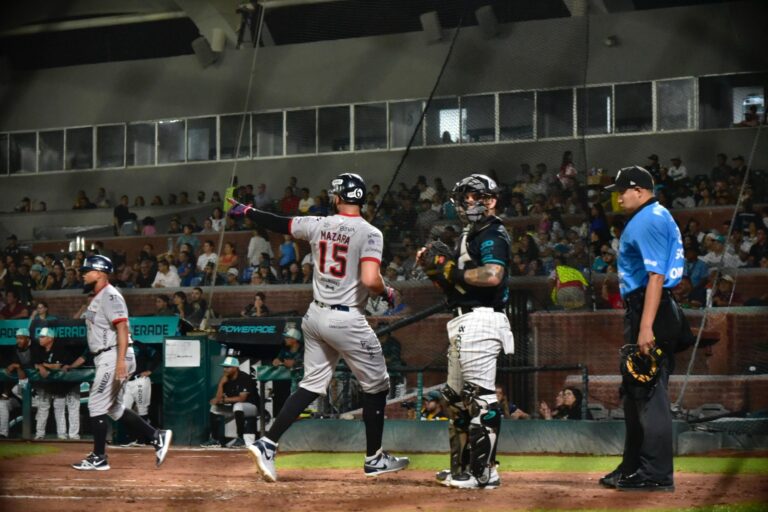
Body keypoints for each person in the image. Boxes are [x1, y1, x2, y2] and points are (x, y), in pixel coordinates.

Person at [228, 172, 409, 482]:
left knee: (312, 384)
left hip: (315, 315)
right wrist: (388, 291)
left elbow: (278, 222)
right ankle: (374, 458)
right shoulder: (370, 233)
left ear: (337, 197)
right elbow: (369, 280)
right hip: (347, 318)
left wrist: (246, 210)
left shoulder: (318, 224)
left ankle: (268, 443)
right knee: (377, 386)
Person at [417, 174, 514, 490]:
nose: (469, 202)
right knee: (456, 399)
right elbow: (453, 287)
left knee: (481, 399)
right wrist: (434, 270)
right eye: (465, 197)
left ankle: (484, 472)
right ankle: (463, 469)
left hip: (482, 320)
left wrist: (448, 268)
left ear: (491, 200)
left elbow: (493, 275)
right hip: (461, 319)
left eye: (476, 196)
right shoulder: (467, 235)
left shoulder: (492, 232)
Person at [599, 166, 692, 492]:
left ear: (638, 189)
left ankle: (655, 474)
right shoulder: (653, 215)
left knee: (650, 395)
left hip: (650, 310)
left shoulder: (649, 218)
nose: (618, 196)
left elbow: (655, 276)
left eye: (622, 190)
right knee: (635, 393)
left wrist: (645, 327)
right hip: (649, 307)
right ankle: (633, 468)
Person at [72, 255, 172, 471]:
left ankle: (99, 457)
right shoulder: (97, 297)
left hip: (113, 355)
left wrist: (119, 362)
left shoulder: (110, 296)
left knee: (96, 404)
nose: (83, 274)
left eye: (87, 270)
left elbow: (123, 328)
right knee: (115, 409)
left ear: (99, 273)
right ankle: (156, 436)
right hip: (106, 356)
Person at [33, 327, 86, 440]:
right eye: (40, 337)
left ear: (50, 338)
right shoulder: (39, 350)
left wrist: (43, 365)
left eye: (43, 337)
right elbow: (35, 364)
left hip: (71, 383)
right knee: (58, 407)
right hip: (57, 385)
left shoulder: (60, 348)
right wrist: (41, 366)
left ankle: (73, 435)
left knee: (73, 408)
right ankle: (61, 435)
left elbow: (58, 366)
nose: (40, 339)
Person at [200, 356, 259, 449]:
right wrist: (221, 384)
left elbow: (242, 399)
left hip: (251, 407)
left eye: (228, 367)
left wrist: (223, 400)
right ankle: (215, 440)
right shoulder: (225, 379)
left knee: (238, 405)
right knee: (214, 408)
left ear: (235, 368)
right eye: (224, 367)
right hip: (236, 408)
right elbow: (218, 398)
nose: (225, 369)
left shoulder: (244, 377)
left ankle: (241, 438)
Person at [120, 341, 162, 446]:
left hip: (140, 380)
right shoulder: (118, 346)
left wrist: (150, 370)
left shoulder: (140, 345)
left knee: (142, 409)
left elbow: (157, 355)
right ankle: (134, 438)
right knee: (123, 410)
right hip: (126, 382)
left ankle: (143, 440)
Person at [1, 328, 38, 438]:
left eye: (21, 338)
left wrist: (18, 366)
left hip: (35, 391)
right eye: (17, 338)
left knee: (17, 389)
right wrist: (5, 393)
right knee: (2, 404)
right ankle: (3, 434)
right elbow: (9, 369)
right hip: (19, 393)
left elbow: (36, 365)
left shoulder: (36, 348)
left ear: (27, 338)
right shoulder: (14, 349)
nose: (18, 341)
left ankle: (40, 435)